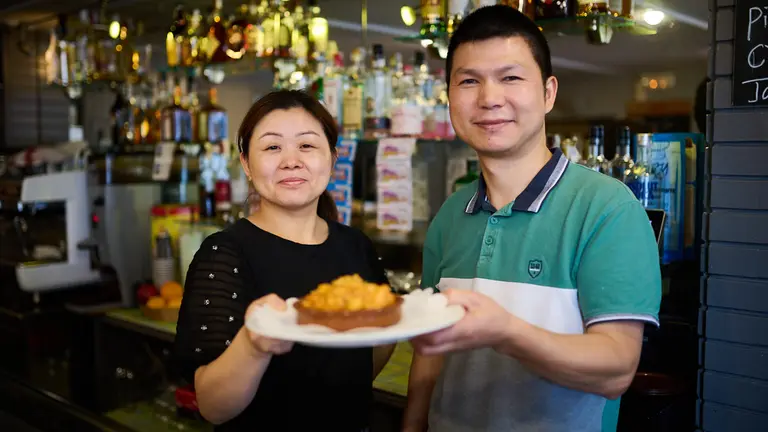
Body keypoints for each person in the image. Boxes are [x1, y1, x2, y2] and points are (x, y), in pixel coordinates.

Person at [403, 5, 662, 432]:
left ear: (548, 92)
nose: (489, 98)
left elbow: (615, 368)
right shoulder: (450, 214)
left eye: (510, 77)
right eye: (469, 81)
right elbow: (430, 357)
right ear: (449, 95)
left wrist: (505, 331)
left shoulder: (607, 208)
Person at [173, 90, 394, 431]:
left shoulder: (356, 246)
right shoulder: (223, 255)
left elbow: (382, 339)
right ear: (246, 163)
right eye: (272, 147)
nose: (291, 160)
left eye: (307, 146)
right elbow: (213, 405)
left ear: (332, 158)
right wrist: (255, 344)